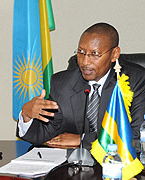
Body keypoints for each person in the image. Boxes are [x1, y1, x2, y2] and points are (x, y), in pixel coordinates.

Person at [17, 22, 145, 152]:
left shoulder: (136, 81)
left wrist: (82, 140)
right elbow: (46, 134)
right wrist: (26, 116)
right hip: (74, 168)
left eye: (94, 54)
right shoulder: (62, 83)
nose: (85, 62)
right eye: (81, 52)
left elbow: (139, 137)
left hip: (119, 166)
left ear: (114, 54)